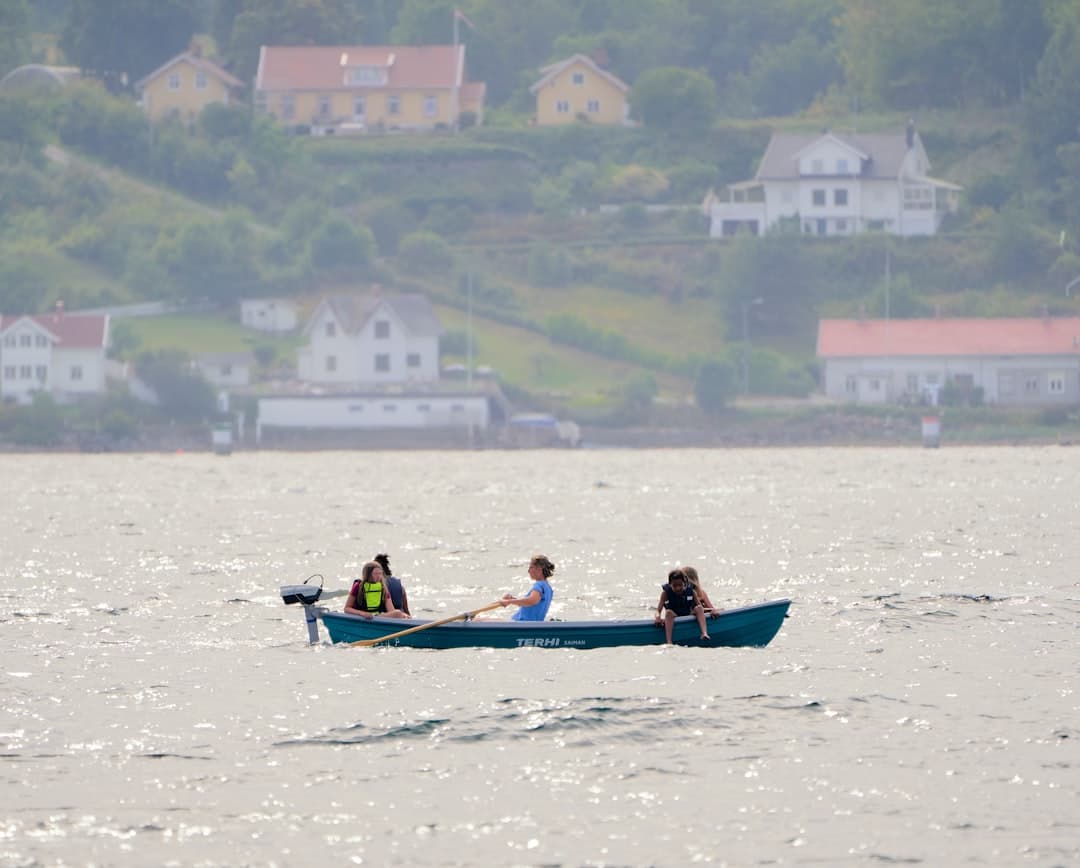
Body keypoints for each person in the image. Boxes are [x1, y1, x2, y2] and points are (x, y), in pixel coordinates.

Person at [654, 568, 709, 644]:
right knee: (668, 612)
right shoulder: (665, 593)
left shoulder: (691, 591)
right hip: (675, 615)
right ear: (670, 584)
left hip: (688, 613)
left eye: (680, 585)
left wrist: (712, 611)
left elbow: (701, 608)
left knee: (699, 608)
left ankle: (704, 633)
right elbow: (658, 610)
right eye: (674, 586)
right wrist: (657, 617)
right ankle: (669, 641)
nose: (678, 588)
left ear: (685, 583)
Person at [344, 560, 408, 619]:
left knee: (399, 613)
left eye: (380, 573)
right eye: (375, 574)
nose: (378, 576)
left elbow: (391, 610)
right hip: (363, 616)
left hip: (377, 617)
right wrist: (362, 613)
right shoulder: (358, 586)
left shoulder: (383, 588)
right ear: (368, 575)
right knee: (398, 613)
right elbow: (347, 608)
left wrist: (403, 615)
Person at [498, 554, 555, 621]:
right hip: (529, 624)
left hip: (522, 623)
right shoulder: (547, 587)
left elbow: (531, 601)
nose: (528, 571)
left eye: (531, 567)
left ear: (539, 569)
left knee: (483, 620)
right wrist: (512, 599)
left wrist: (509, 601)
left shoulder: (539, 585)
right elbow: (530, 604)